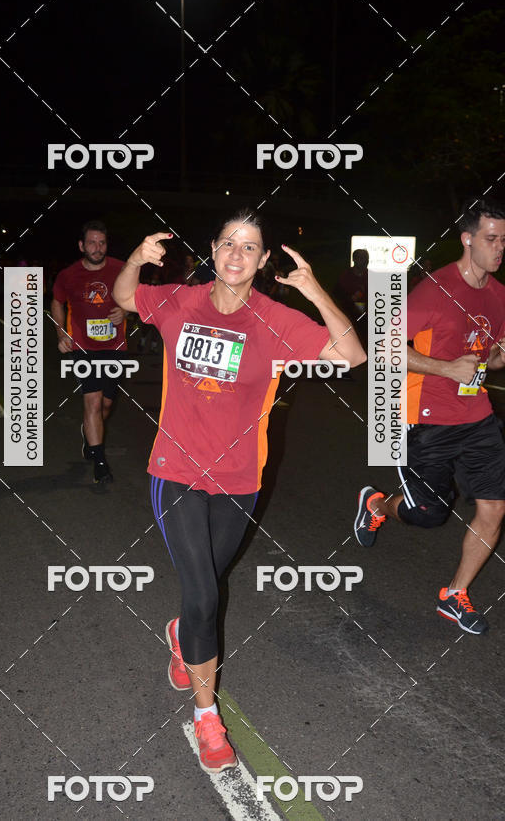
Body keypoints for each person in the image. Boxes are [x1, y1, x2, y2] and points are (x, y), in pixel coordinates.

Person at [113, 208, 366, 774]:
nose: (236, 255)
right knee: (204, 595)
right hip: (174, 471)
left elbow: (351, 355)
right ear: (212, 247)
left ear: (263, 259)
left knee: (209, 585)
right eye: (228, 243)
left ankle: (183, 632)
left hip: (238, 481)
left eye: (249, 247)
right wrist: (133, 260)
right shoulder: (181, 301)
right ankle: (208, 719)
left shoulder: (277, 318)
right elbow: (126, 298)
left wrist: (313, 288)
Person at [355, 199, 505, 636]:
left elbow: (487, 358)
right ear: (468, 239)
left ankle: (454, 595)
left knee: (494, 509)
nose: (499, 249)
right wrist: (444, 368)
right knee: (429, 513)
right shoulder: (434, 290)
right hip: (425, 418)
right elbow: (381, 347)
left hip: (477, 415)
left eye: (504, 241)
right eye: (491, 239)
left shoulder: (499, 296)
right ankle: (377, 503)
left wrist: (496, 357)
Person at [52, 220, 127, 483]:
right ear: (81, 245)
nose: (97, 248)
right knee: (93, 401)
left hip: (115, 347)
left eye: (102, 242)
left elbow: (136, 296)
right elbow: (57, 302)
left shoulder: (121, 268)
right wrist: (61, 333)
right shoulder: (68, 275)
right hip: (83, 348)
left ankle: (89, 433)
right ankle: (100, 462)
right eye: (92, 242)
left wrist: (126, 311)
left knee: (106, 405)